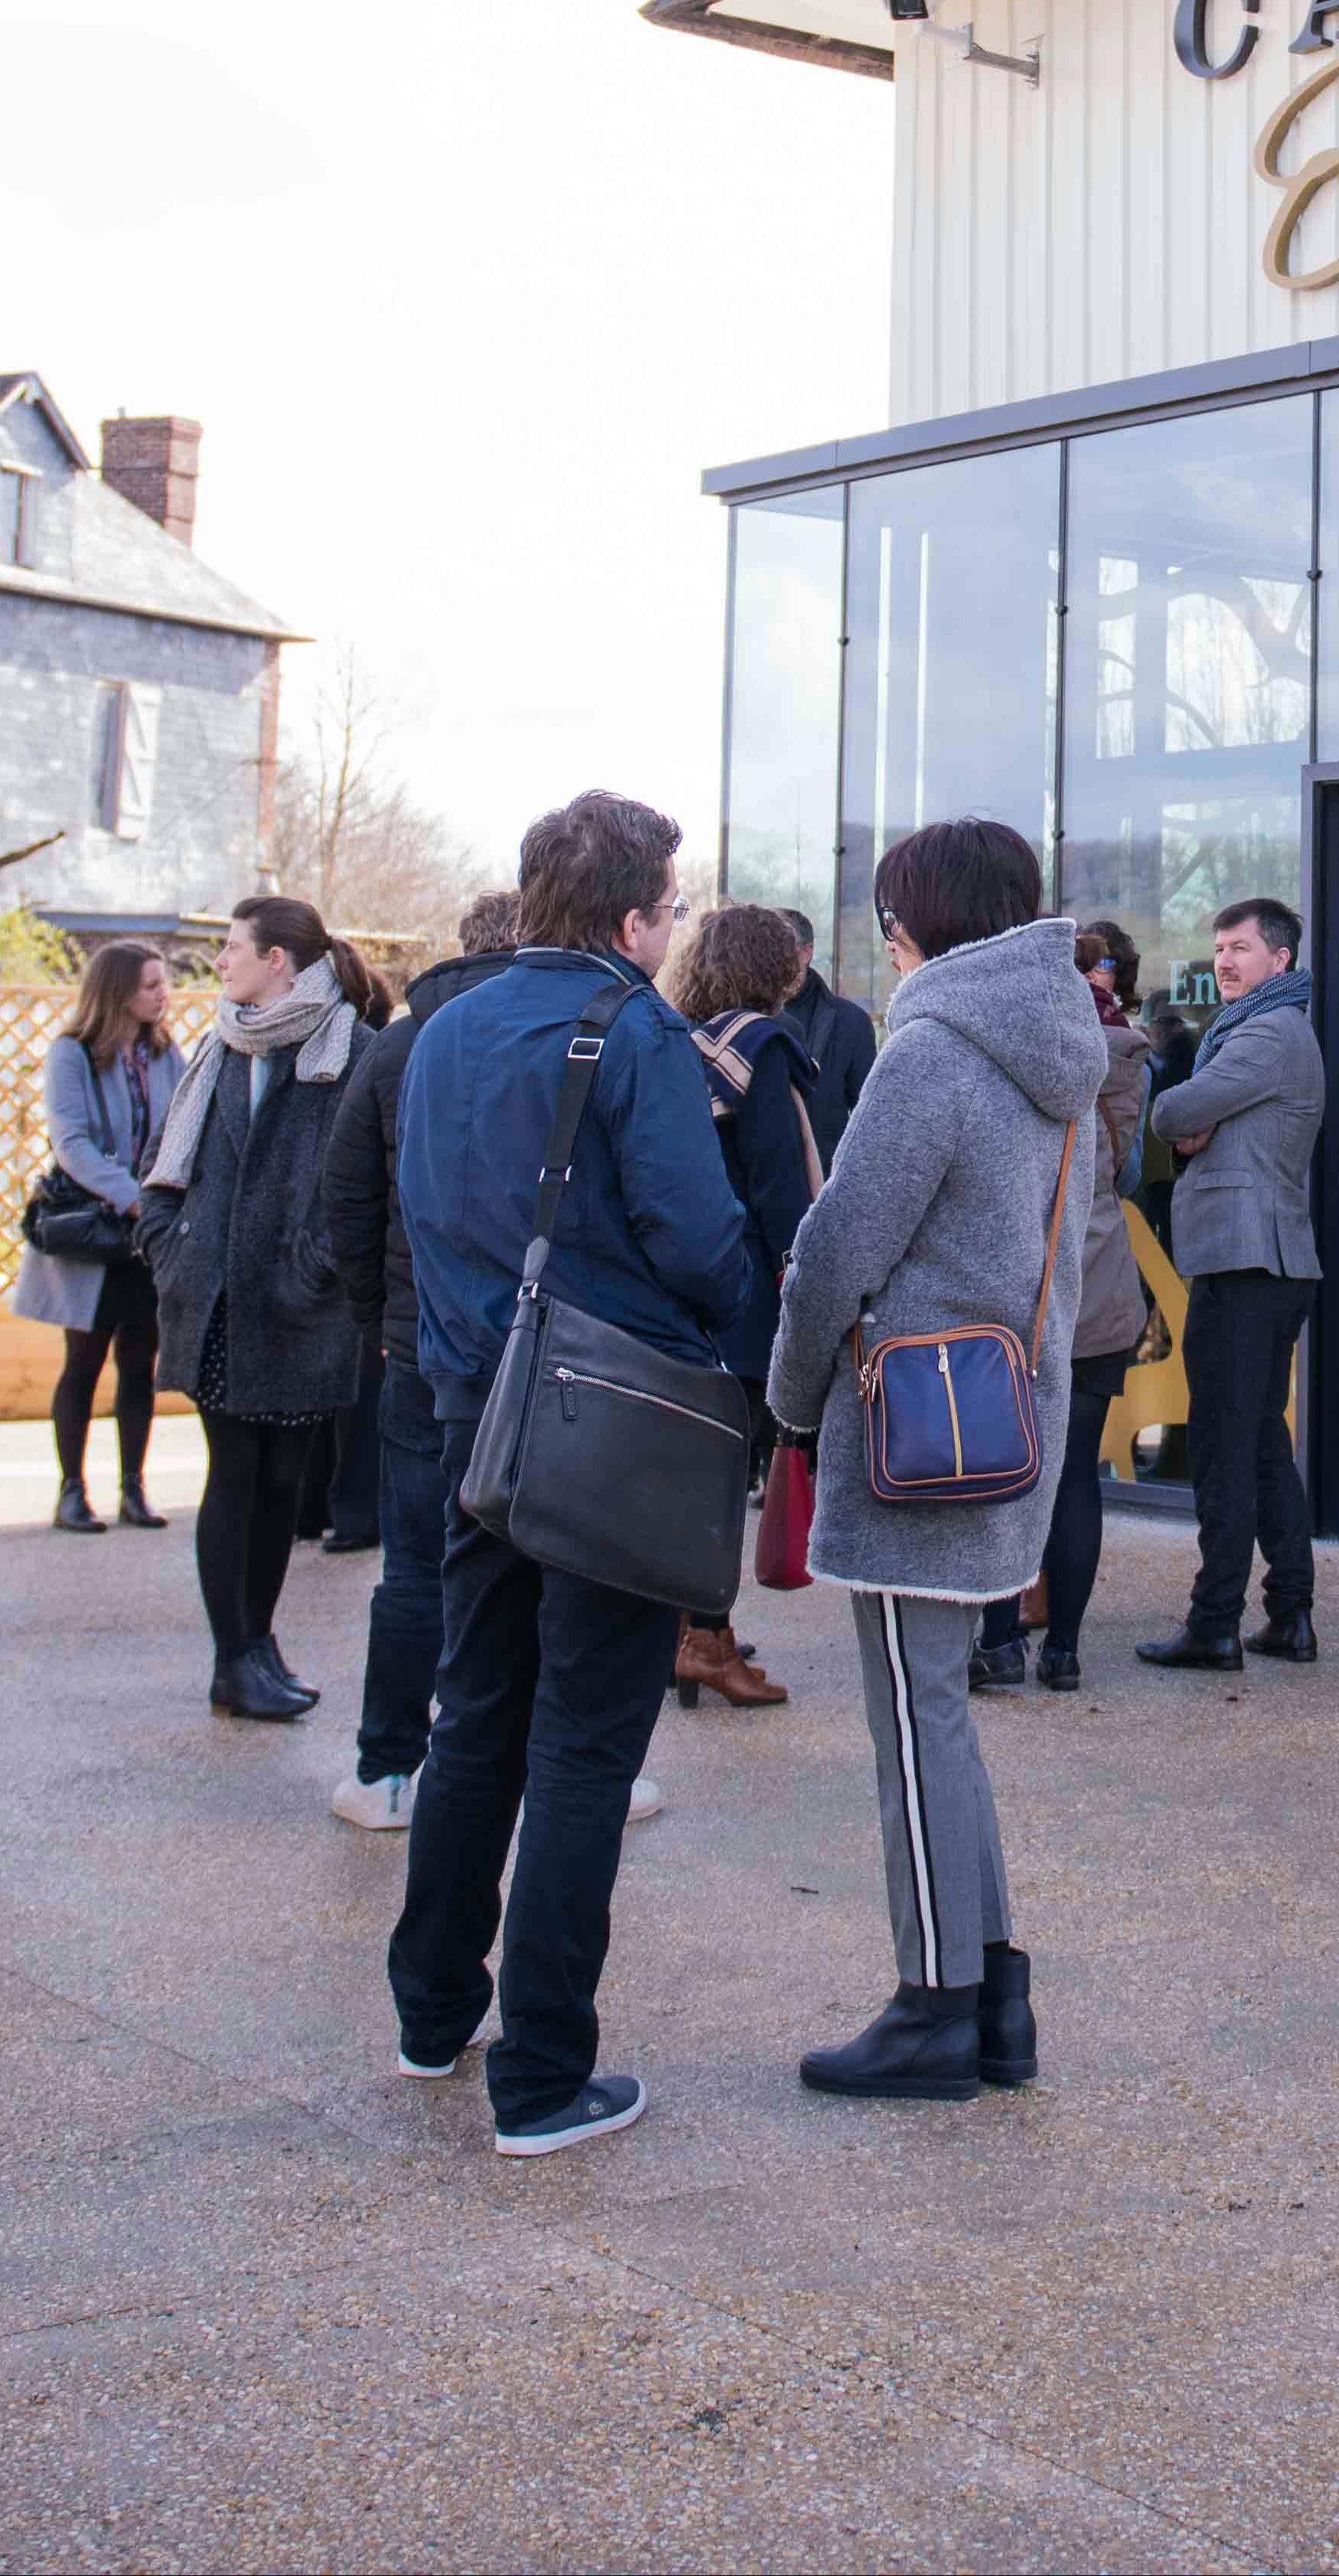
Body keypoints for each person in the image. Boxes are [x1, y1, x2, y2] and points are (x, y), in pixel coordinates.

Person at [387, 791, 753, 2158]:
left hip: (474, 1413)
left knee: (474, 1713)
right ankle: (541, 2075)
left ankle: (432, 2015)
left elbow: (428, 1214)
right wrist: (750, 1353)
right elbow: (695, 1233)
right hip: (607, 1421)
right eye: (666, 904)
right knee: (586, 1743)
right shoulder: (632, 1025)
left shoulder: (444, 1021)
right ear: (633, 917)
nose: (670, 927)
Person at [769, 817, 1103, 2105]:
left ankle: (934, 2004)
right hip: (1005, 1405)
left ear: (913, 920)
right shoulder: (1058, 1044)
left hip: (914, 1417)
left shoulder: (932, 1048)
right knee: (943, 1712)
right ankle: (992, 1994)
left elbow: (839, 1244)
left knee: (915, 1719)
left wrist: (791, 1398)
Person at [141, 896, 388, 1723]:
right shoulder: (218, 1043)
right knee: (236, 1472)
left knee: (286, 1481)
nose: (219, 961)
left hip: (305, 1305)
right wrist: (170, 1247)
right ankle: (234, 1655)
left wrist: (317, 1267)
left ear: (278, 958)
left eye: (233, 946)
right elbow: (165, 1167)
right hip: (215, 1298)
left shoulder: (352, 1047)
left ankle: (258, 1640)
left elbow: (368, 1179)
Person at [317, 888, 529, 1832]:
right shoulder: (557, 1036)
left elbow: (346, 1199)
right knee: (539, 1558)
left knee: (412, 1565)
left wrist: (383, 1317)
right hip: (536, 1346)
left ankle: (387, 1765)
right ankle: (526, 1762)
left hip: (416, 1346)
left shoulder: (400, 1043)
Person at [1135, 895, 1323, 1670]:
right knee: (1262, 1445)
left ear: (1280, 958)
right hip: (1257, 1262)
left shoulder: (1267, 1033)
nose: (1224, 960)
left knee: (1222, 1446)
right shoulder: (1251, 1030)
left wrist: (1182, 1119)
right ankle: (1290, 1613)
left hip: (1250, 1265)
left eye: (1240, 946)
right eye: (1218, 946)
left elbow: (1173, 1107)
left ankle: (1216, 1622)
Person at [665, 901, 820, 1711]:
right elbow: (778, 1185)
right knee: (728, 1475)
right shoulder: (762, 1046)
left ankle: (686, 1634)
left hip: (686, 1285)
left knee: (692, 1473)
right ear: (778, 967)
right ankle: (706, 1640)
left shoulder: (682, 1044)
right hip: (750, 1295)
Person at [17, 935, 178, 1535]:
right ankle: (71, 1490)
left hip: (147, 1233)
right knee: (82, 1361)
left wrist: (160, 1197)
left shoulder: (165, 1051)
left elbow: (181, 1126)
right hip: (94, 1229)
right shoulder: (72, 1052)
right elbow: (71, 1141)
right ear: (118, 993)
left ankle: (134, 1488)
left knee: (140, 1361)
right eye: (151, 985)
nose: (164, 994)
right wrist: (134, 1194)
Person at [1030, 917, 1154, 1687]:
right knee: (1076, 1472)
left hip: (1023, 1286)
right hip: (1101, 1280)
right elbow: (1130, 1172)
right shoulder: (1129, 1052)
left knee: (1008, 1470)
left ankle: (999, 1637)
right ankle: (1065, 1651)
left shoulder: (1022, 1048)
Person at [772, 907, 879, 1160]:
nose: (770, 961)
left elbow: (870, 1123)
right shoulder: (743, 1018)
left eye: (779, 950)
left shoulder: (851, 1023)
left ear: (806, 953)